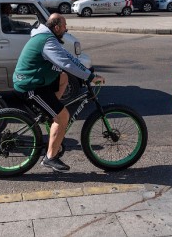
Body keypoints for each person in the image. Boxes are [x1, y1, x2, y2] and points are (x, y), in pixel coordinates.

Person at [13, 13, 105, 172]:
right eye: (64, 26)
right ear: (56, 27)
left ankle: (51, 114)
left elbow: (67, 57)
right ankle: (50, 158)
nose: (66, 28)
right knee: (63, 116)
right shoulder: (46, 41)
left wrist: (86, 70)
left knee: (63, 77)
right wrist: (90, 77)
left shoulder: (47, 37)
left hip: (38, 80)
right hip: (30, 86)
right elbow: (65, 62)